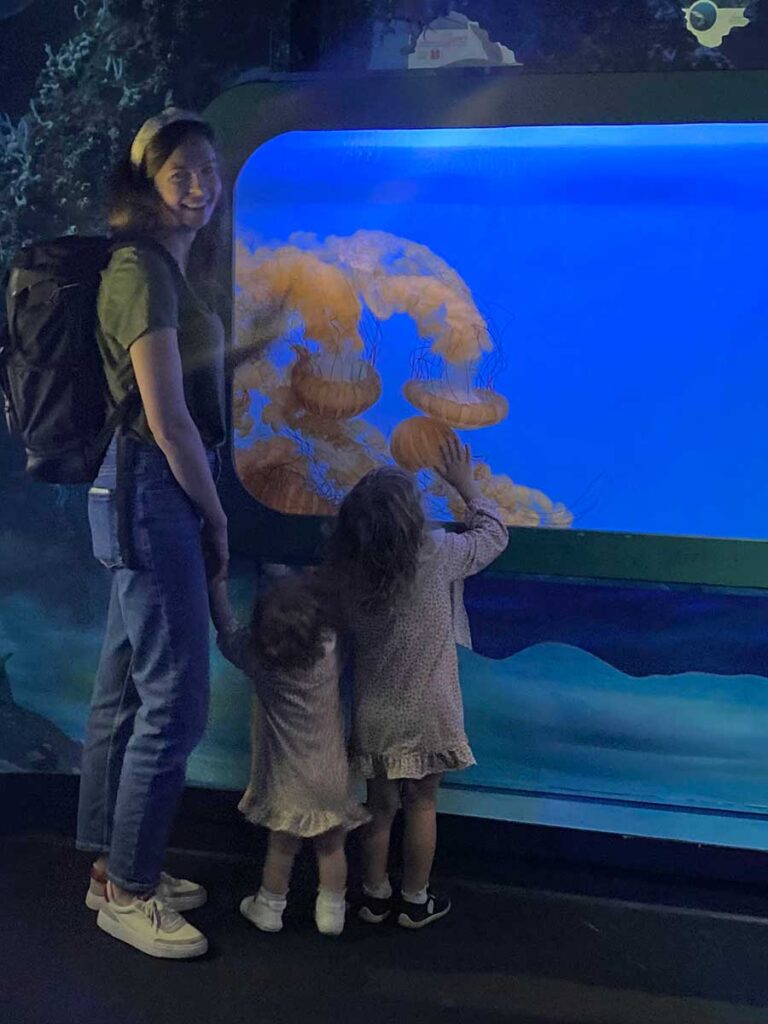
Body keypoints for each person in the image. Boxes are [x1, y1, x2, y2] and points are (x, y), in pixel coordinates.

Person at [75, 109, 228, 959]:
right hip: (153, 488)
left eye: (209, 169)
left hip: (138, 487)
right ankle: (130, 890)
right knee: (175, 701)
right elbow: (169, 422)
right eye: (182, 173)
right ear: (147, 182)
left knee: (127, 688)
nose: (200, 186)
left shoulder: (157, 265)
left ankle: (115, 869)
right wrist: (213, 516)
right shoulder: (143, 271)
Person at [326, 437, 508, 929]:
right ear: (413, 521)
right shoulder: (438, 553)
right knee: (423, 803)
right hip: (432, 708)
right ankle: (415, 899)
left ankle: (374, 896)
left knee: (380, 808)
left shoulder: (350, 570)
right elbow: (493, 535)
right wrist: (467, 487)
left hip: (376, 711)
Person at [209, 571, 369, 936]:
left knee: (282, 847)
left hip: (286, 780)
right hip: (331, 774)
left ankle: (269, 906)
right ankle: (332, 910)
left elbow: (228, 633)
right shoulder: (330, 651)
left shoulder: (261, 664)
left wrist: (218, 583)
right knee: (332, 846)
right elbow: (336, 614)